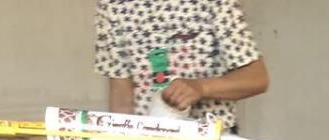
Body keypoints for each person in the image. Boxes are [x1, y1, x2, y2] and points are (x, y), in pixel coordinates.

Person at [94, 0, 270, 129]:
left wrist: (201, 88)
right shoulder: (112, 5)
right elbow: (122, 98)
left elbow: (257, 78)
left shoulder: (216, 3)